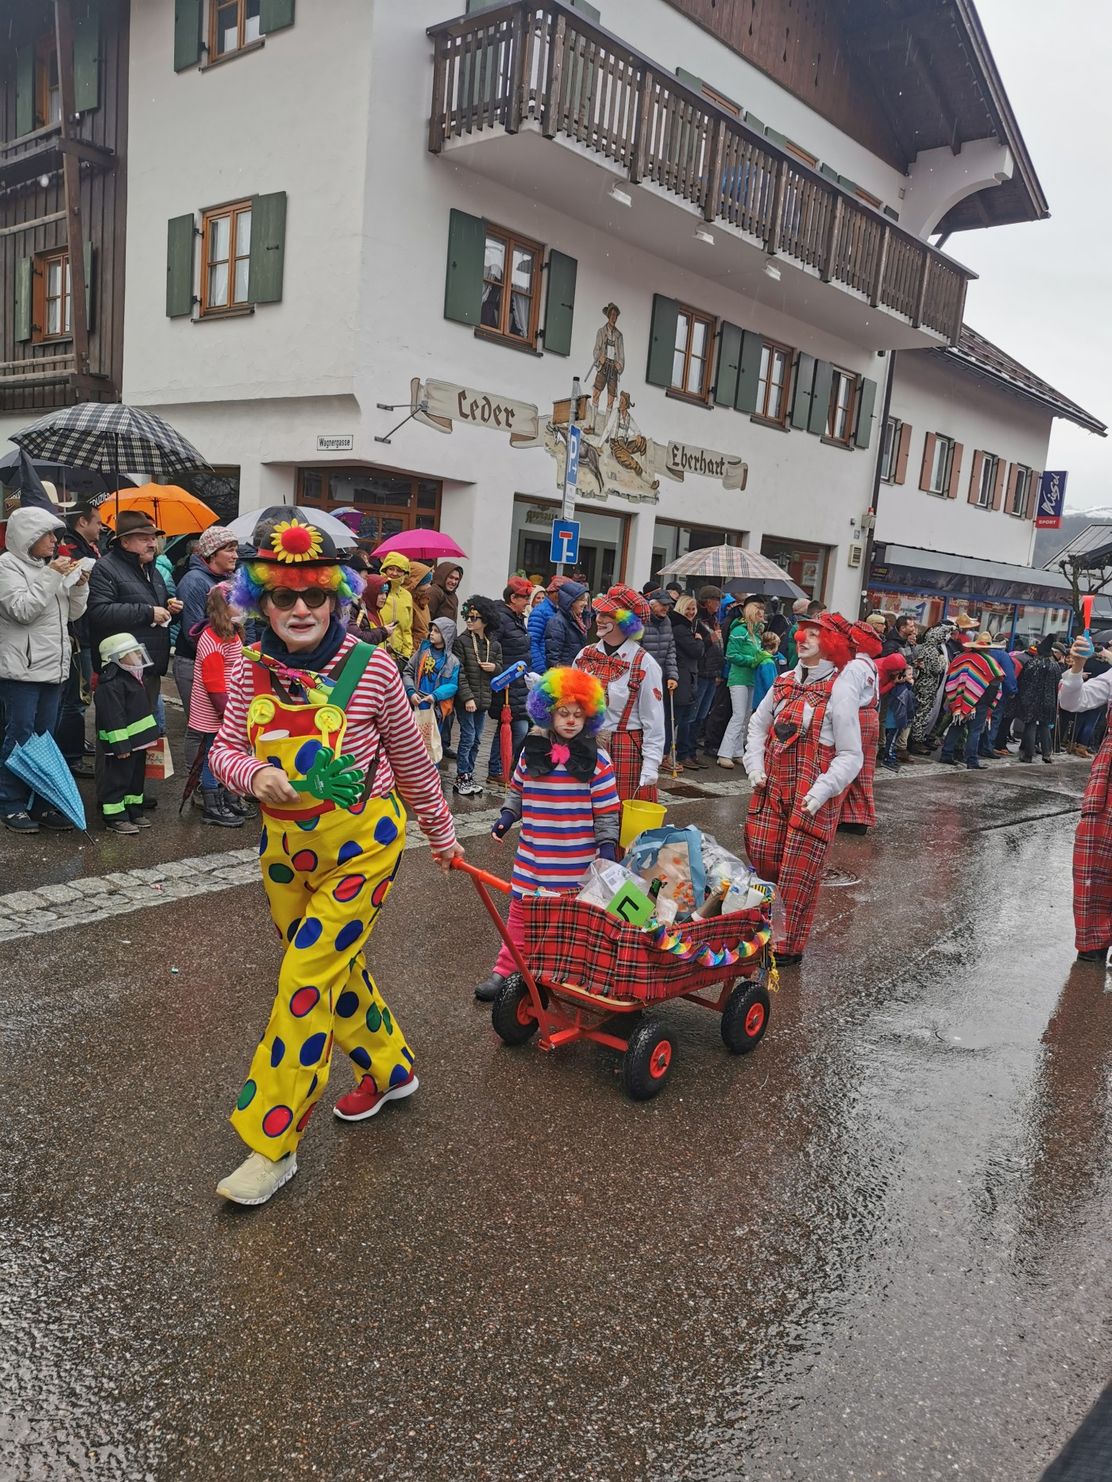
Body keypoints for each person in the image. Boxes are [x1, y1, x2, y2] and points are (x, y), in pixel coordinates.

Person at [208, 513, 462, 1207]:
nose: (299, 609)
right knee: (329, 967)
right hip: (285, 852)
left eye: (314, 595)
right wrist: (249, 776)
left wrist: (440, 833)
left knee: (303, 977)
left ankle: (273, 1143)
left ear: (337, 597)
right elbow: (223, 750)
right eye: (284, 595)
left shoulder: (372, 667)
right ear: (262, 599)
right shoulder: (245, 667)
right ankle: (391, 1066)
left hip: (363, 845)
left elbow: (413, 761)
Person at [473, 667, 620, 1001]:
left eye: (577, 715)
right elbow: (518, 790)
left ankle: (563, 972)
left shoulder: (598, 762)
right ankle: (505, 970)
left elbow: (608, 811)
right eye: (563, 713)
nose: (570, 721)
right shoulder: (531, 751)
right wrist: (507, 816)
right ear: (549, 712)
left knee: (571, 923)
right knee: (520, 916)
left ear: (590, 717)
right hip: (534, 856)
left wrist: (607, 847)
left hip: (576, 862)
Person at [744, 612, 862, 965]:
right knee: (762, 859)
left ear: (833, 644)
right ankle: (759, 930)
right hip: (772, 788)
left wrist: (821, 791)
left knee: (798, 874)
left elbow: (851, 754)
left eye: (815, 634)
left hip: (811, 796)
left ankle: (784, 948)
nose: (803, 639)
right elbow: (756, 726)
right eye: (803, 633)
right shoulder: (782, 682)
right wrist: (755, 767)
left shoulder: (840, 690)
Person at [0, 506, 90, 833]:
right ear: (29, 537)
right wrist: (53, 575)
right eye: (49, 535)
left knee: (44, 739)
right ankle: (10, 803)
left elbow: (74, 615)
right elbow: (22, 611)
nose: (55, 541)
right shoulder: (6, 566)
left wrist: (79, 584)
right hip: (20, 672)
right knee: (20, 737)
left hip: (53, 669)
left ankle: (39, 803)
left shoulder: (46, 567)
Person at [87, 511, 182, 724]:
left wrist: (171, 609)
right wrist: (149, 612)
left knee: (144, 739)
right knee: (119, 742)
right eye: (144, 539)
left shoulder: (153, 571)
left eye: (153, 538)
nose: (152, 544)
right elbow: (99, 612)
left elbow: (159, 611)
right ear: (125, 542)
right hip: (120, 672)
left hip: (150, 669)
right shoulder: (106, 568)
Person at [574, 585, 664, 803]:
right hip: (585, 743)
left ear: (626, 622)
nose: (599, 619)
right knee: (583, 813)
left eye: (608, 615)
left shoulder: (644, 663)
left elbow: (654, 721)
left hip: (624, 749)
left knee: (619, 818)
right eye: (599, 613)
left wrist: (651, 764)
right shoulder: (585, 654)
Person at [175, 524, 238, 776]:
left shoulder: (229, 580)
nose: (235, 555)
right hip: (195, 664)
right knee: (200, 727)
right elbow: (193, 631)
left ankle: (217, 781)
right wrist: (221, 653)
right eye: (229, 550)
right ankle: (198, 782)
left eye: (235, 550)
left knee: (222, 728)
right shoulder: (194, 582)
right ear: (212, 554)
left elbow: (244, 623)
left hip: (225, 662)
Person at [187, 582, 248, 828]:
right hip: (217, 709)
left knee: (229, 751)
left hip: (229, 705)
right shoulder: (212, 639)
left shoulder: (231, 633)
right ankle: (212, 802)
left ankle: (227, 796)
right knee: (213, 755)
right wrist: (227, 712)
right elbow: (213, 683)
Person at [93, 632, 159, 834]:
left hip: (137, 743)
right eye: (134, 654)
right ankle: (114, 816)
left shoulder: (133, 678)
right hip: (123, 745)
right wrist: (121, 746)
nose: (139, 657)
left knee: (135, 779)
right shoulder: (111, 685)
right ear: (118, 658)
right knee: (118, 779)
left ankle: (133, 810)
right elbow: (113, 718)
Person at [55, 499, 102, 774]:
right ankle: (70, 757)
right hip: (77, 634)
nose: (101, 527)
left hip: (82, 631)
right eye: (96, 521)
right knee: (75, 699)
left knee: (76, 699)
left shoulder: (85, 547)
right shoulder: (69, 547)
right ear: (82, 521)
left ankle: (73, 748)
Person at [835, 619, 883, 833]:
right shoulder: (869, 663)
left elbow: (848, 698)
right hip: (871, 716)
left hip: (858, 715)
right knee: (863, 770)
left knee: (844, 765)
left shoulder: (854, 666)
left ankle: (837, 816)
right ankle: (858, 818)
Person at [451, 595, 502, 796]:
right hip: (467, 700)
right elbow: (459, 672)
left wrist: (495, 668)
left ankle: (469, 774)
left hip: (483, 699)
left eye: (475, 617)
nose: (470, 621)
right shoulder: (461, 642)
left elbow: (501, 669)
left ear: (486, 620)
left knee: (478, 738)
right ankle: (462, 775)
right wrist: (467, 698)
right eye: (468, 617)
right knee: (468, 737)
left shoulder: (494, 645)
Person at [485, 578, 532, 788]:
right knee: (513, 727)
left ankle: (503, 767)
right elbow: (493, 648)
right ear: (513, 598)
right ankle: (498, 769)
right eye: (525, 598)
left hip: (518, 683)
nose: (528, 602)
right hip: (506, 683)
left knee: (515, 727)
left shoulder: (516, 618)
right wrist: (501, 674)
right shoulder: (502, 619)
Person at [403, 616, 460, 774]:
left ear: (446, 635)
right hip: (415, 703)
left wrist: (435, 696)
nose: (431, 634)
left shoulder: (452, 661)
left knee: (431, 742)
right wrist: (411, 691)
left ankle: (430, 775)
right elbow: (408, 671)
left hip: (434, 708)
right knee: (410, 742)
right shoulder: (423, 651)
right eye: (431, 630)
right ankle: (410, 775)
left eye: (436, 631)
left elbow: (452, 685)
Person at [716, 594, 766, 770]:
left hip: (750, 678)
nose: (763, 616)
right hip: (738, 677)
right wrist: (752, 659)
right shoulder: (739, 631)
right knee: (737, 716)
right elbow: (731, 655)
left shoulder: (755, 633)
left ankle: (737, 751)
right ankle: (724, 753)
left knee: (745, 716)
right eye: (760, 613)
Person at [940, 633, 1004, 769]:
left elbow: (952, 679)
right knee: (974, 731)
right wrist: (987, 703)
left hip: (959, 699)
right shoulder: (989, 662)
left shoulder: (961, 658)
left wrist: (959, 699)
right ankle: (971, 760)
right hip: (980, 701)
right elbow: (996, 682)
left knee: (956, 726)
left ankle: (946, 754)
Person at [908, 621, 954, 754]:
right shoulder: (933, 651)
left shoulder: (923, 648)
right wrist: (942, 660)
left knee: (920, 713)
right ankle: (917, 742)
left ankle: (916, 739)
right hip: (928, 686)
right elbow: (938, 668)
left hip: (922, 684)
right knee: (922, 714)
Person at [669, 594, 703, 771]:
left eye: (693, 609)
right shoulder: (681, 629)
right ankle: (674, 754)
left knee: (684, 717)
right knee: (678, 718)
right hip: (683, 676)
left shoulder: (686, 627)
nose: (691, 612)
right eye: (688, 609)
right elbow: (696, 651)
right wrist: (699, 640)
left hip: (688, 675)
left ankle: (680, 753)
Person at [1016, 635, 1061, 763]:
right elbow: (1057, 684)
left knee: (1030, 724)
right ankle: (1047, 753)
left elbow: (1023, 680)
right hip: (1049, 700)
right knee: (1045, 725)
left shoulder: (1032, 663)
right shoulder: (1055, 666)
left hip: (1032, 699)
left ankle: (1028, 754)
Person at [692, 586, 724, 756]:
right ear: (708, 602)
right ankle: (687, 750)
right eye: (716, 600)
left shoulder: (713, 620)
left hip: (713, 672)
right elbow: (697, 648)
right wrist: (709, 639)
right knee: (695, 714)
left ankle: (693, 750)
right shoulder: (698, 621)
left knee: (703, 713)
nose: (719, 604)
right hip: (702, 671)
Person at [543, 579, 590, 669]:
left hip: (574, 671)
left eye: (586, 600)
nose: (585, 603)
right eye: (582, 600)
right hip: (564, 676)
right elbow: (553, 658)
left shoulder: (577, 619)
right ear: (571, 602)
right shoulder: (557, 622)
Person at [379, 551, 414, 665]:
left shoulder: (407, 596)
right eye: (391, 569)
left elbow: (407, 630)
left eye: (399, 570)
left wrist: (407, 655)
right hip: (377, 654)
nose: (394, 573)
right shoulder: (376, 590)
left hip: (399, 658)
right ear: (384, 569)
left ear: (405, 573)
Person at [529, 574, 566, 673]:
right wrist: (540, 670)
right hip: (544, 668)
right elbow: (533, 642)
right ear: (556, 593)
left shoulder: (556, 610)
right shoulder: (540, 611)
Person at [351, 573, 393, 645]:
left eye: (386, 593)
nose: (384, 597)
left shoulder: (377, 613)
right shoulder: (361, 615)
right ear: (370, 592)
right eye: (380, 593)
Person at [406, 561, 433, 649]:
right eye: (427, 583)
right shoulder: (408, 601)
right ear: (416, 583)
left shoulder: (423, 601)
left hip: (422, 650)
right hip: (412, 652)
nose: (429, 586)